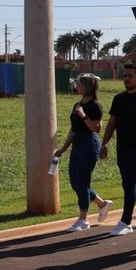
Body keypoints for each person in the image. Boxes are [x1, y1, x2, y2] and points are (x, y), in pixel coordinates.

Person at [100, 63, 136, 236]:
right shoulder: (118, 99)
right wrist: (104, 144)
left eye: (130, 76)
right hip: (122, 147)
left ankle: (126, 222)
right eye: (124, 76)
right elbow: (112, 123)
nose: (126, 79)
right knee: (130, 182)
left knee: (128, 182)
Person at [54, 73, 111, 231]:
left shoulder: (95, 106)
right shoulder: (77, 104)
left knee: (82, 182)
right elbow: (73, 129)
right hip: (77, 144)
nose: (76, 87)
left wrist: (84, 116)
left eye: (79, 84)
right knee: (75, 182)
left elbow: (97, 129)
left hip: (89, 144)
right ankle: (102, 204)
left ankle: (83, 219)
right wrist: (63, 149)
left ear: (87, 86)